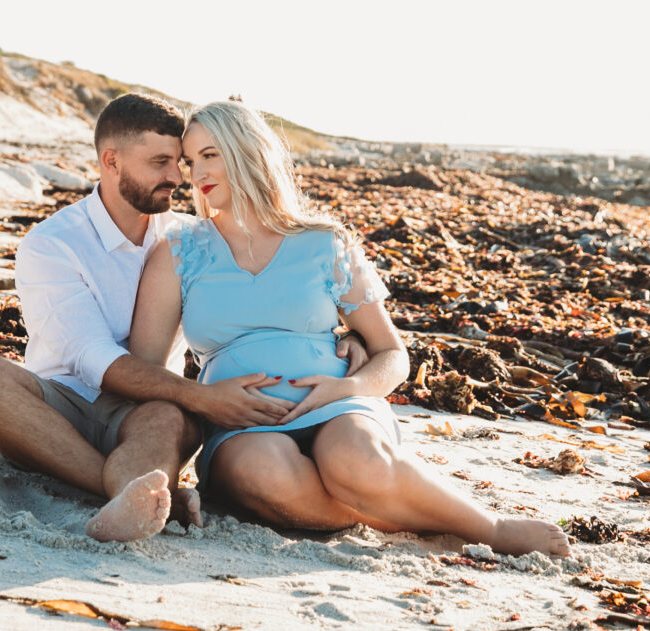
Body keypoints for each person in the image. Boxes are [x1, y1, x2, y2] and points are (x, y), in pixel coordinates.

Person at [124, 100, 571, 558]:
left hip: (337, 406)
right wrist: (205, 401)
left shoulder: (323, 241)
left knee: (359, 464)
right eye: (190, 161)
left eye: (210, 155)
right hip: (243, 427)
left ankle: (489, 527)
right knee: (266, 476)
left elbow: (392, 355)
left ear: (249, 152)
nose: (196, 173)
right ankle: (403, 511)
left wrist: (349, 387)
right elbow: (144, 367)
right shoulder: (178, 251)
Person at [0, 93, 365, 542]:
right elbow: (94, 359)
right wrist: (202, 398)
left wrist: (346, 339)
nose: (177, 177)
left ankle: (136, 495)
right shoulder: (53, 243)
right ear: (111, 162)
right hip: (58, 409)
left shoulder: (188, 239)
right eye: (161, 162)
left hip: (153, 413)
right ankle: (128, 493)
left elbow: (264, 302)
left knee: (166, 420)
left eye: (180, 163)